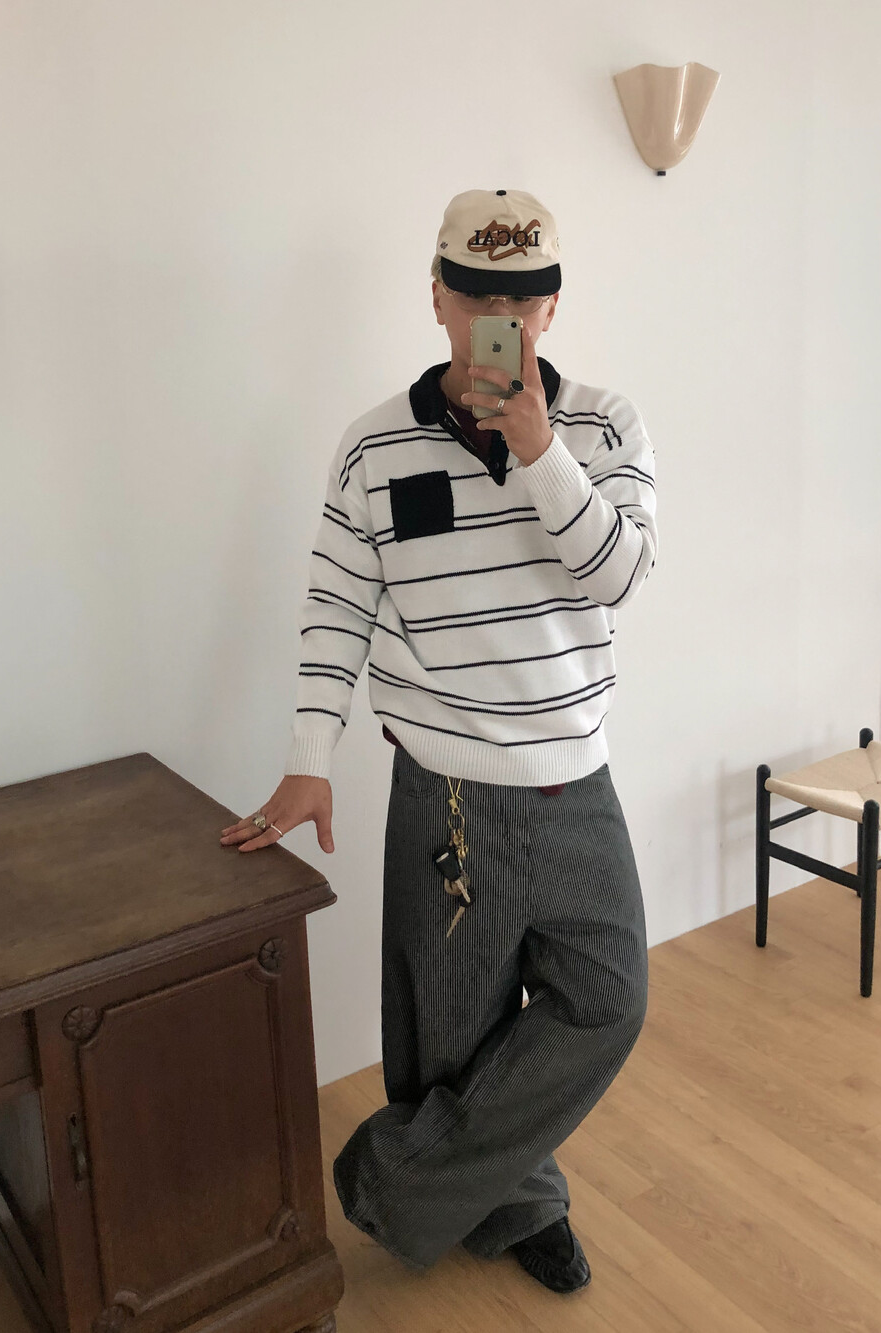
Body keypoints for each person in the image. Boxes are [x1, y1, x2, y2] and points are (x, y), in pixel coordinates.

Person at [220, 188, 657, 1294]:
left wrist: (541, 451)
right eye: (473, 296)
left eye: (521, 300)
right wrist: (309, 756)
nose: (495, 320)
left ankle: (392, 1181)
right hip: (445, 788)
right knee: (453, 1031)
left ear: (551, 309)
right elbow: (337, 603)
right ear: (436, 298)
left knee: (607, 998)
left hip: (576, 781)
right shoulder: (372, 445)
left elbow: (620, 575)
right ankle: (522, 1204)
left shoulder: (606, 426)